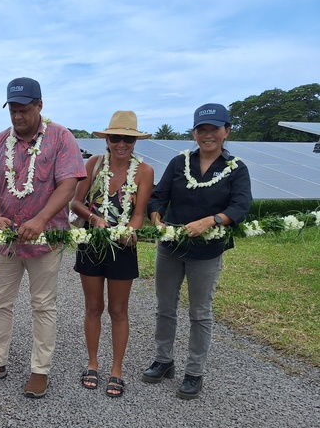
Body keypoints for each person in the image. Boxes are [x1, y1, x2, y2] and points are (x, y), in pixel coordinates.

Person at [0, 77, 86, 398]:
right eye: (13, 111)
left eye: (24, 110)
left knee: (43, 304)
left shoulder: (61, 138)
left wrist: (40, 219)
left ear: (39, 105)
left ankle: (40, 369)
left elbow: (68, 185)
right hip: (7, 241)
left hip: (46, 240)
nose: (18, 116)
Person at [143, 103, 252, 399]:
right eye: (201, 130)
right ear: (193, 133)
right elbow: (158, 196)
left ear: (226, 131)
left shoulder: (236, 169)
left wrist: (212, 220)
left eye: (214, 129)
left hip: (207, 251)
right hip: (170, 247)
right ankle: (163, 360)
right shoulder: (180, 163)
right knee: (165, 307)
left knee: (200, 313)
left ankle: (195, 372)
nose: (207, 135)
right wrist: (156, 217)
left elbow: (241, 205)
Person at [70, 111, 154, 397]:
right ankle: (92, 363)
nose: (121, 144)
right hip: (91, 243)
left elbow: (140, 214)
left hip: (123, 247)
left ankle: (116, 369)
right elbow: (76, 203)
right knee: (93, 307)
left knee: (119, 310)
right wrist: (94, 219)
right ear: (106, 139)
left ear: (134, 141)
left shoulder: (144, 171)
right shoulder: (93, 164)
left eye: (128, 139)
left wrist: (130, 229)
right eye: (116, 137)